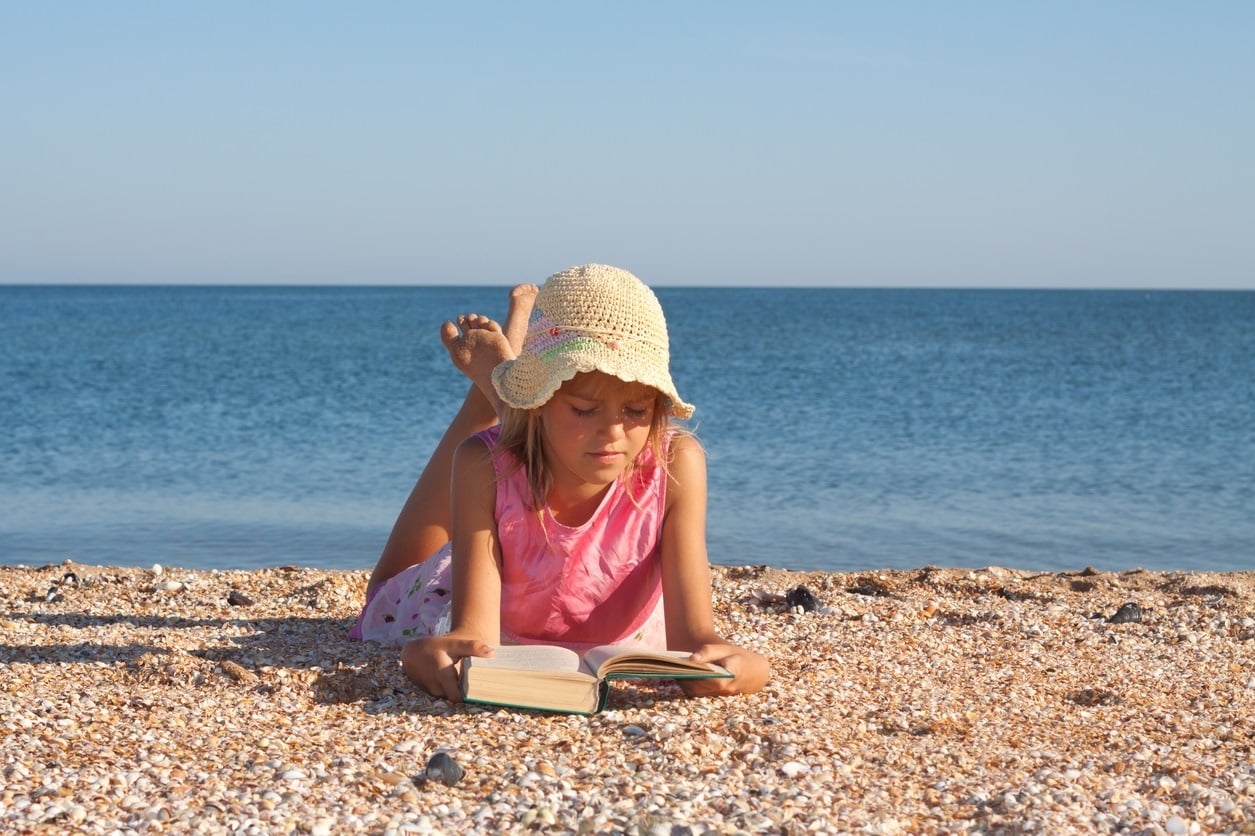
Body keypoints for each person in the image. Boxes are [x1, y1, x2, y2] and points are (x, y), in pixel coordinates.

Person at [350, 264, 770, 701]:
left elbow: (698, 637)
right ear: (543, 402)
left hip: (617, 637)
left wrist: (744, 669)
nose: (613, 432)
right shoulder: (484, 464)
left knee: (526, 445)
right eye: (585, 410)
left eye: (637, 410)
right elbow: (471, 633)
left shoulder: (673, 463)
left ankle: (505, 387)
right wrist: (421, 656)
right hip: (490, 601)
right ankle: (490, 400)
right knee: (389, 585)